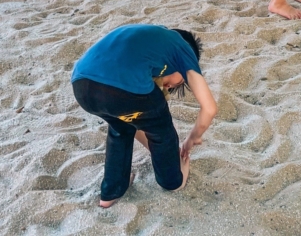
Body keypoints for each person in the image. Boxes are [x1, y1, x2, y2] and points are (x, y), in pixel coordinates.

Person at [71, 24, 217, 207]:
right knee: (163, 129)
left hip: (81, 86)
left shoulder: (149, 41)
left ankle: (111, 193)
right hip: (122, 89)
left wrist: (162, 153)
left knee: (120, 129)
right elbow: (209, 108)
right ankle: (173, 182)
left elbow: (137, 124)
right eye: (179, 83)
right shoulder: (183, 48)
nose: (170, 86)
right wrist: (190, 141)